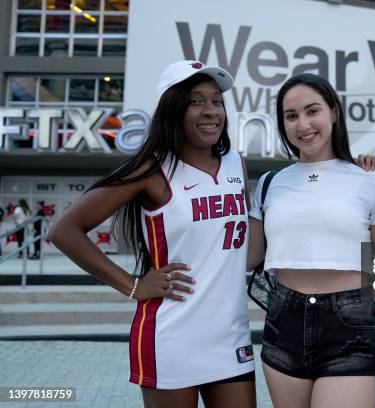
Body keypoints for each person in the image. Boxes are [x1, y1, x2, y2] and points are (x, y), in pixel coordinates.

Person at [48, 60, 257, 408]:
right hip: (171, 336)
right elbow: (64, 230)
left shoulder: (237, 162)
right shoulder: (153, 168)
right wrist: (133, 285)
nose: (211, 111)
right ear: (172, 110)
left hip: (230, 336)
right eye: (196, 101)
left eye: (217, 101)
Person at [247, 73, 375, 408]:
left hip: (350, 324)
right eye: (291, 116)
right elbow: (248, 256)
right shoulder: (270, 183)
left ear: (333, 112)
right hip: (284, 319)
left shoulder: (370, 180)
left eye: (312, 111)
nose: (303, 124)